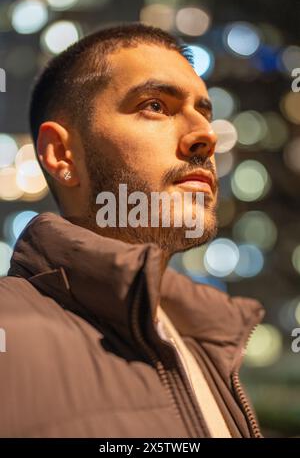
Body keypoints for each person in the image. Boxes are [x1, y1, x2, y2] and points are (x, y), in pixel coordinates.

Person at [0, 22, 265, 438]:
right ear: (63, 153)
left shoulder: (207, 344)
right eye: (156, 106)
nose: (205, 136)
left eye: (204, 112)